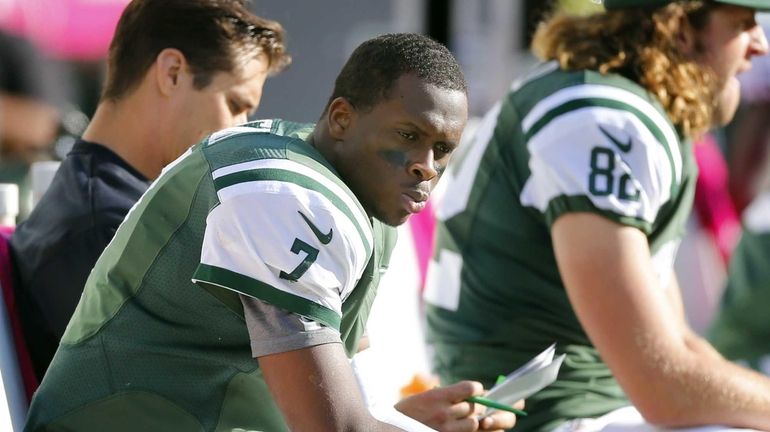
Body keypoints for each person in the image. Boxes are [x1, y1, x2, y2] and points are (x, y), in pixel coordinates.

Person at [24, 32, 521, 432]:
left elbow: (338, 395)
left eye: (442, 148)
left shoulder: (359, 188)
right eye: (409, 136)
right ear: (342, 118)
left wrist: (410, 420)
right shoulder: (284, 197)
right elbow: (335, 428)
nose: (426, 167)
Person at [424, 0, 770, 430]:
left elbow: (680, 344)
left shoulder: (613, 100)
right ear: (679, 26)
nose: (761, 44)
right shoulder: (605, 118)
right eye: (742, 23)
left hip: (576, 406)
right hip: (536, 416)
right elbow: (666, 388)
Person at [9, 0, 290, 382]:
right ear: (172, 73)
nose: (239, 131)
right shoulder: (110, 229)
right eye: (236, 104)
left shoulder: (110, 211)